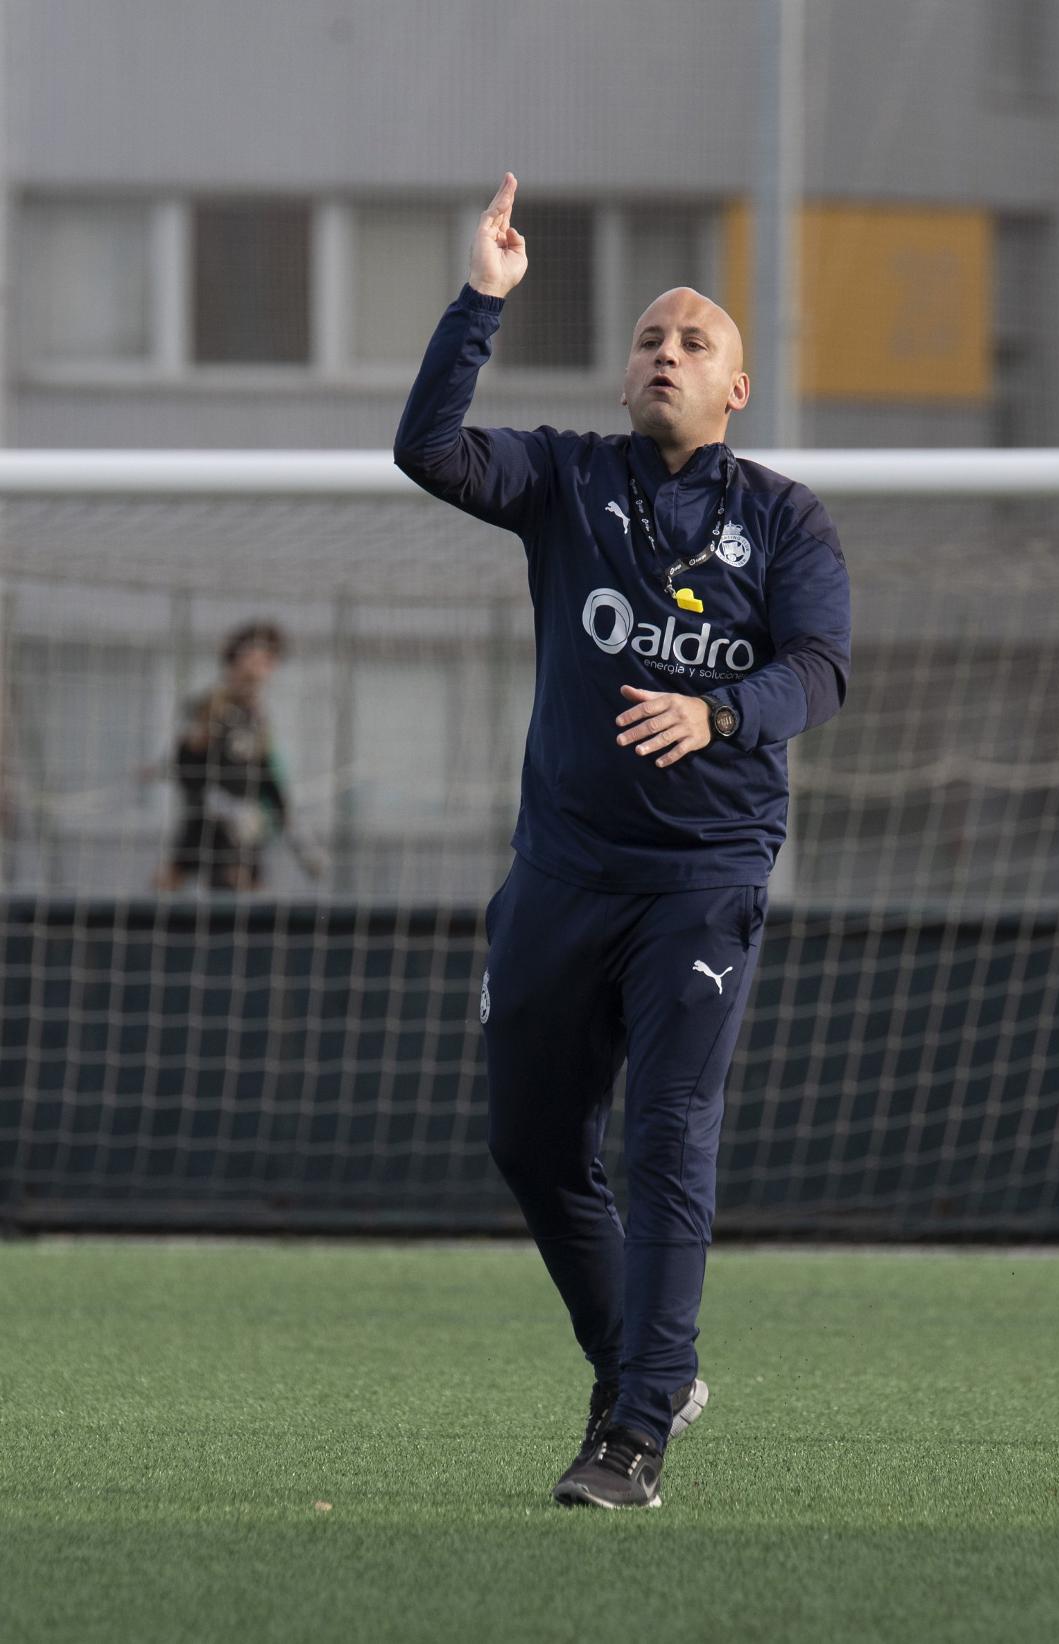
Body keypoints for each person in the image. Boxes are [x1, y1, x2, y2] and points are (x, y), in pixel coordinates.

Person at [394, 175, 850, 1509]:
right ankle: (639, 1368)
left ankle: (636, 1430)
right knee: (534, 1146)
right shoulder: (567, 479)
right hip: (561, 874)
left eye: (694, 340)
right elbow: (430, 449)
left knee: (667, 1135)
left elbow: (819, 673)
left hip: (701, 886)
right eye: (651, 337)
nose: (666, 352)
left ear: (736, 391)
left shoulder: (784, 519)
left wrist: (717, 711)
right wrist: (482, 298)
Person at [154, 621, 323, 893]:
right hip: (211, 819)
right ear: (237, 659)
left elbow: (265, 772)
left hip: (242, 824)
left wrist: (295, 835)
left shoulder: (257, 716)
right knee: (174, 885)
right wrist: (219, 802)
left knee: (247, 891)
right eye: (256, 655)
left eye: (270, 659)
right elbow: (186, 762)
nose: (264, 665)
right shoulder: (212, 706)